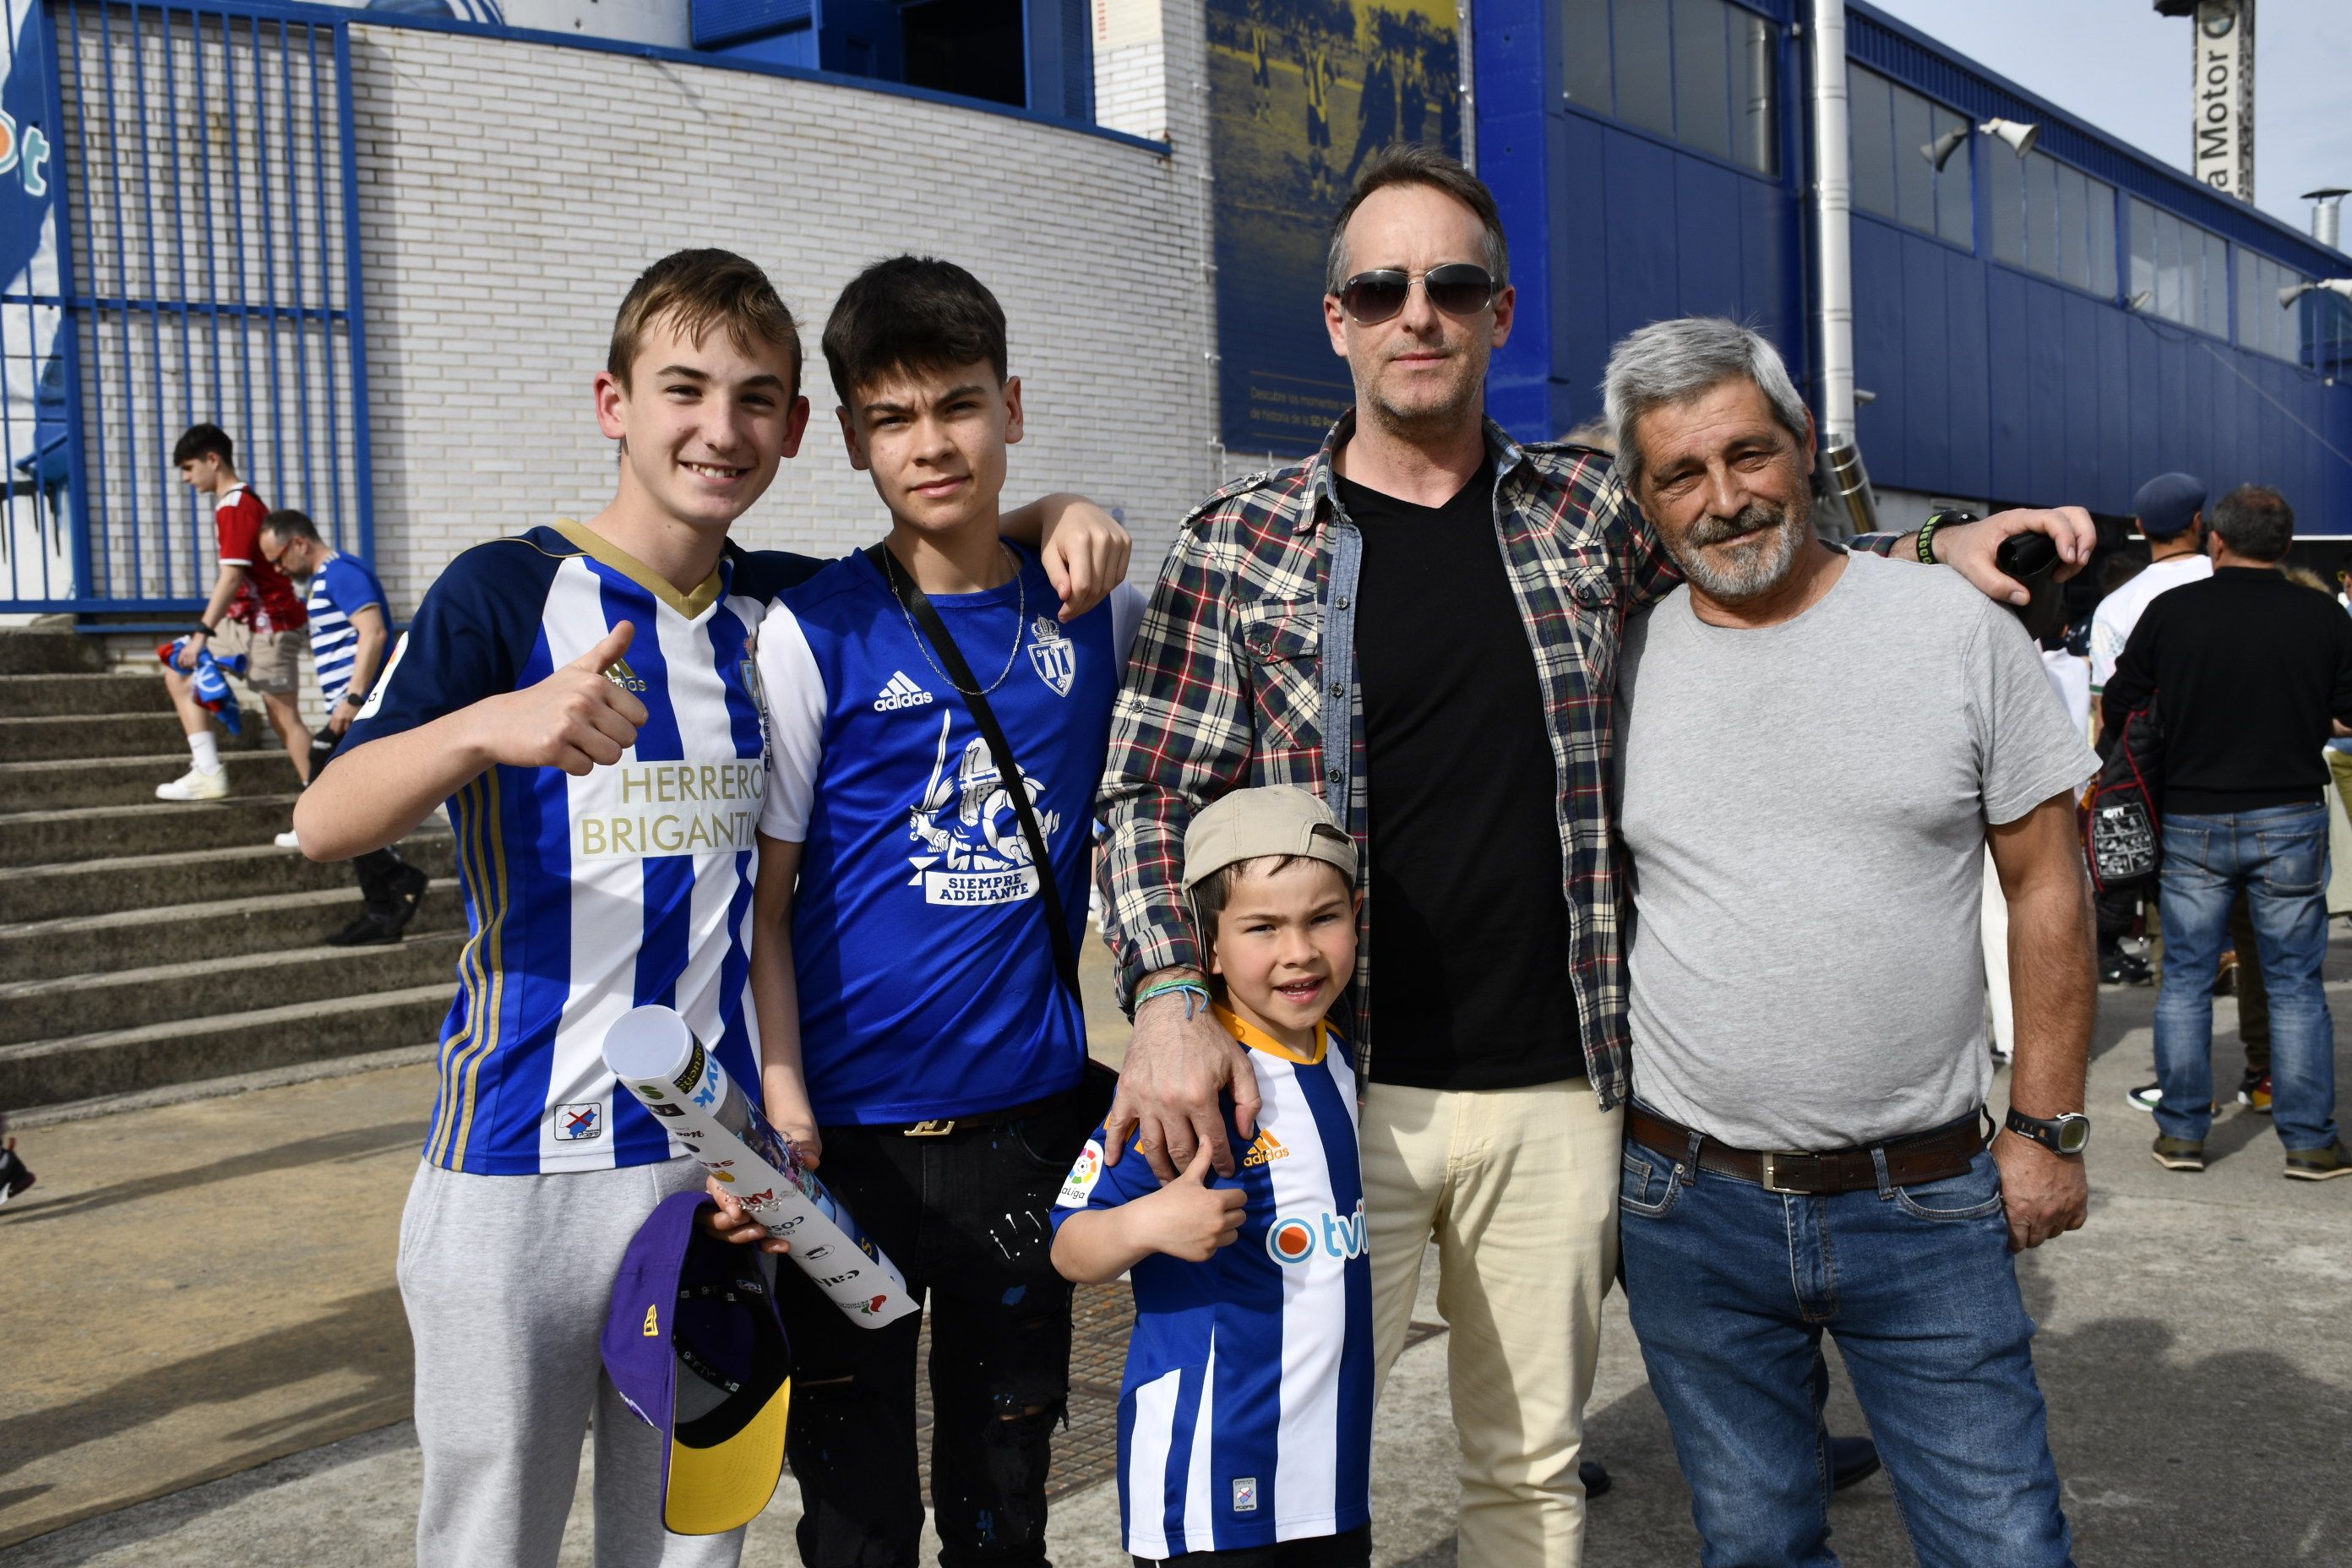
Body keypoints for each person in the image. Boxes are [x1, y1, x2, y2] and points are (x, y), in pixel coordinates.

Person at [1095, 144, 2093, 1567]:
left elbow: (1749, 533)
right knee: (1283, 1450)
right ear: (1336, 322)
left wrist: (1934, 545)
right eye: (1379, 288)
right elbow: (1144, 793)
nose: (1415, 313)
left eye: (1451, 285)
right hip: (1325, 1091)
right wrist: (1165, 998)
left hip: (1560, 1098)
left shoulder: (1586, 514)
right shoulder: (1236, 546)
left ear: (1499, 314)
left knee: (1527, 1477)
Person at [291, 248, 1130, 1566]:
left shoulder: (775, 607)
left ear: (801, 429)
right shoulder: (505, 593)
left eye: (756, 398)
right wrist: (489, 727)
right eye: (683, 388)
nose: (719, 428)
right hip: (515, 1166)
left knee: (692, 1542)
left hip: (711, 1178)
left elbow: (939, 548)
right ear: (612, 400)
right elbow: (323, 820)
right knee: (488, 1535)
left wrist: (1061, 509)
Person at [1606, 315, 2097, 1565]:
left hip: (1924, 1197)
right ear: (1643, 497)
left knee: (2004, 1544)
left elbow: (2050, 888)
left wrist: (2045, 1130)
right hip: (1686, 1208)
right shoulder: (1614, 660)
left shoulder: (1953, 630)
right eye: (1681, 475)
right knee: (1758, 1545)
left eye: (1749, 455)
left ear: (1805, 447)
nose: (1724, 500)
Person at [721, 255, 1144, 1568]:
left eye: (957, 406)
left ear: (1011, 407)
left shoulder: (1096, 609)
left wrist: (1076, 510)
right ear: (848, 437)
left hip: (1025, 1137)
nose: (931, 443)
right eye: (892, 418)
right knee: (853, 1516)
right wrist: (784, 1102)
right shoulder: (814, 631)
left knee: (1005, 1494)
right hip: (846, 1148)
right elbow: (765, 908)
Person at [1052, 786, 1371, 1567]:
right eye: (1263, 927)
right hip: (1206, 1472)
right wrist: (1148, 1224)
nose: (1299, 951)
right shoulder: (1188, 1088)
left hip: (1328, 1473)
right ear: (1211, 948)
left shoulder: (1339, 1058)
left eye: (1323, 918)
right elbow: (1071, 1242)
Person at [2102, 484, 2352, 1179]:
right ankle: (2309, 1142)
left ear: (2216, 540)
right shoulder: (2323, 615)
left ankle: (2181, 1132)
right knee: (2296, 982)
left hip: (2191, 817)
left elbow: (2120, 706)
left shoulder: (2172, 612)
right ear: (2287, 546)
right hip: (2290, 817)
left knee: (2183, 978)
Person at [257, 508, 431, 945]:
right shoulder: (322, 583)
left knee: (329, 780)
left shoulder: (341, 573)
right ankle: (386, 898)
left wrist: (354, 697)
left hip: (366, 706)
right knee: (342, 795)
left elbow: (372, 633)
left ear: (298, 542)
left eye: (277, 558)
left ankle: (395, 883)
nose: (277, 569)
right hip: (355, 705)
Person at [156, 423, 309, 801]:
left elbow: (231, 575)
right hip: (246, 623)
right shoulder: (233, 505)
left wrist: (202, 633)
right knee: (178, 666)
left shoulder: (237, 506)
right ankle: (207, 771)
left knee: (284, 717)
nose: (187, 479)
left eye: (190, 468)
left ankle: (322, 802)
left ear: (214, 459)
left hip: (270, 624)